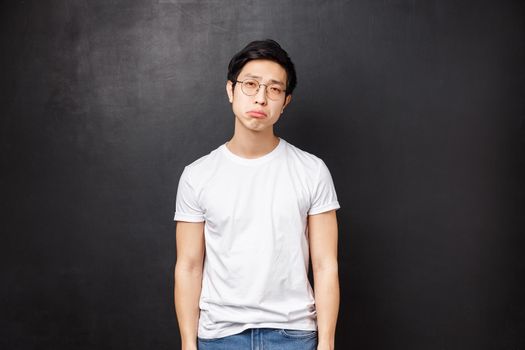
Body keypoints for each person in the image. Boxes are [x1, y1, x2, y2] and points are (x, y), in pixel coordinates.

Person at [173, 39, 341, 350]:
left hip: (294, 334)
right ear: (230, 90)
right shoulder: (197, 175)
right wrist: (187, 343)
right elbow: (188, 265)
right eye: (250, 84)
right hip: (220, 335)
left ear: (286, 101)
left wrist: (327, 343)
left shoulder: (312, 171)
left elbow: (325, 264)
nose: (261, 98)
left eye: (274, 89)